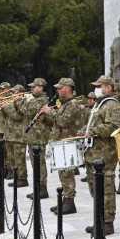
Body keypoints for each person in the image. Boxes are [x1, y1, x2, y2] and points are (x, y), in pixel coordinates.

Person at [82, 75, 120, 236]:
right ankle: (99, 219)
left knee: (106, 189)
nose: (97, 88)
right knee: (95, 188)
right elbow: (94, 123)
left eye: (100, 86)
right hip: (94, 153)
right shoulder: (100, 104)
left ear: (109, 87)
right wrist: (85, 131)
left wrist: (93, 131)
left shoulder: (113, 104)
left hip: (105, 154)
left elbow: (113, 127)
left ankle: (107, 222)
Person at [41, 78, 87, 215]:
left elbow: (62, 121)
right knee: (63, 174)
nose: (58, 90)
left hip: (68, 143)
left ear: (67, 88)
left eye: (60, 88)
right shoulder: (65, 104)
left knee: (67, 174)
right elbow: (55, 123)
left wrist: (50, 112)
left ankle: (70, 202)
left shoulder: (73, 104)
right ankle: (65, 200)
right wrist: (44, 116)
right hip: (62, 143)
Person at [21, 78, 51, 200]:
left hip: (38, 136)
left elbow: (26, 111)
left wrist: (24, 100)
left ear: (40, 87)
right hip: (33, 136)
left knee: (40, 164)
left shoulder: (42, 100)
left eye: (34, 87)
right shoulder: (34, 99)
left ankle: (42, 189)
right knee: (35, 164)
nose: (32, 89)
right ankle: (38, 188)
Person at [3, 85, 29, 188]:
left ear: (21, 92)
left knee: (19, 159)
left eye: (15, 92)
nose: (12, 94)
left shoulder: (23, 102)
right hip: (10, 134)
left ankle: (22, 179)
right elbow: (6, 117)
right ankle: (16, 177)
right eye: (12, 92)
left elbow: (17, 116)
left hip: (19, 135)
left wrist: (7, 107)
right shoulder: (12, 103)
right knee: (12, 158)